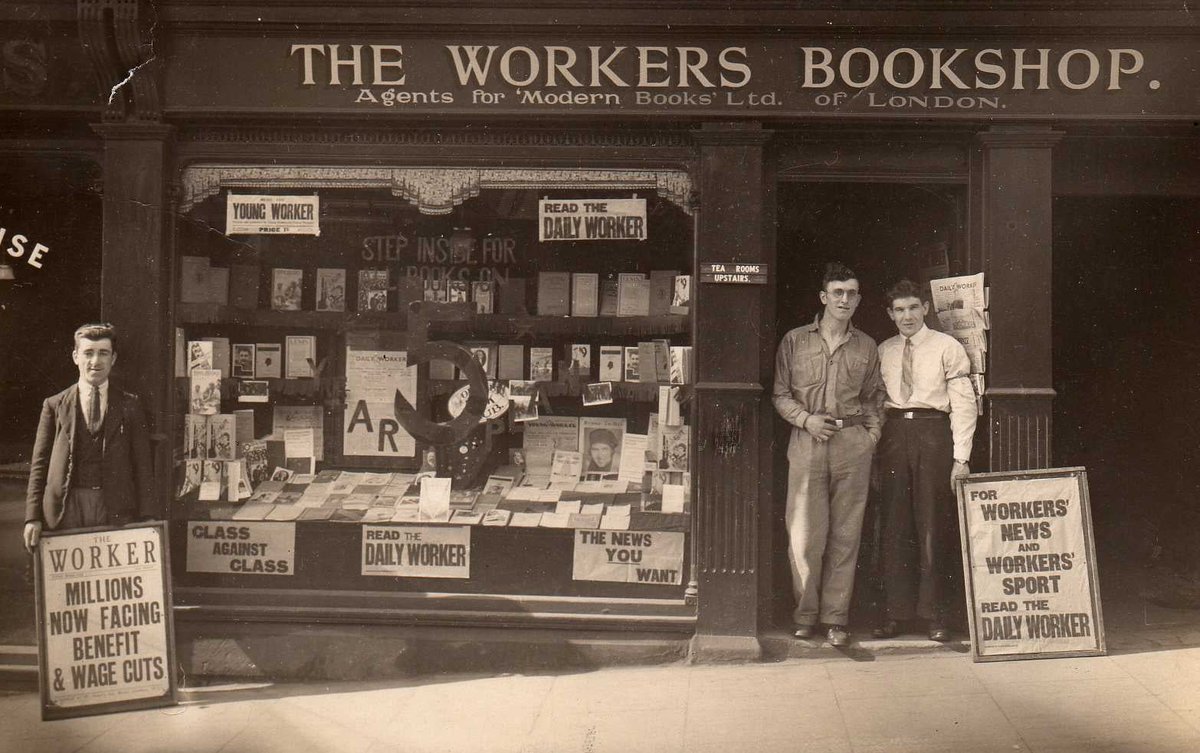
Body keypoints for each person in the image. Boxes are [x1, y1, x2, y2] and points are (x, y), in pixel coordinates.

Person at [772, 262, 881, 647]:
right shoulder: (795, 341)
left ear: (859, 299)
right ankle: (805, 615)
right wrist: (805, 420)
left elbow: (873, 398)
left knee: (845, 536)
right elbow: (780, 394)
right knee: (804, 536)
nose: (845, 299)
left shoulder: (866, 345)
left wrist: (870, 436)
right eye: (838, 292)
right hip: (807, 443)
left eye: (852, 293)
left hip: (851, 443)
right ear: (823, 297)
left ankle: (836, 619)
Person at [872, 279, 978, 642]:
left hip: (934, 435)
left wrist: (960, 458)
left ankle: (935, 615)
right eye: (899, 310)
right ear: (890, 314)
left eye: (913, 307)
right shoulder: (883, 350)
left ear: (926, 308)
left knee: (933, 524)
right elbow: (873, 403)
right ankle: (896, 613)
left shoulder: (947, 347)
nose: (907, 316)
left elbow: (964, 404)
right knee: (895, 524)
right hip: (894, 436)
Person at [23, 323, 155, 552]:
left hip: (113, 506)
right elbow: (39, 465)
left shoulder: (130, 404)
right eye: (88, 353)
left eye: (103, 353)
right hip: (65, 507)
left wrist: (148, 516)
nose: (95, 361)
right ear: (76, 357)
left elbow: (143, 465)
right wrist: (32, 517)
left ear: (113, 358)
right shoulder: (54, 405)